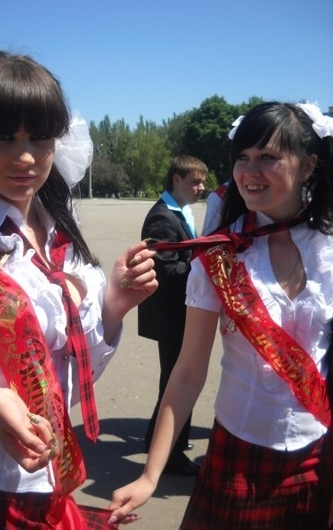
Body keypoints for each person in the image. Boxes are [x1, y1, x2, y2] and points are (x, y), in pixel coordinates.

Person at [0, 51, 158, 529]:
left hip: (49, 479)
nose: (26, 157)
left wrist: (115, 304)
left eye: (40, 137)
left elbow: (68, 370)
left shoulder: (60, 234)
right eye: (3, 137)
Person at [109, 101, 333, 528]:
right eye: (242, 157)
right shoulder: (219, 255)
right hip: (237, 457)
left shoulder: (329, 250)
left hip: (318, 459)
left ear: (307, 166)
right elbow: (187, 373)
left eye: (268, 157)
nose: (250, 171)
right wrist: (150, 474)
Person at [138, 155, 208, 475]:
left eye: (202, 182)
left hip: (178, 311)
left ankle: (159, 439)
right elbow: (165, 271)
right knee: (177, 379)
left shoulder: (179, 211)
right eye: (195, 181)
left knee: (174, 378)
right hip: (171, 314)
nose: (201, 187)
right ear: (176, 179)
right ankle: (171, 453)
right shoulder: (162, 218)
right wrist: (204, 265)